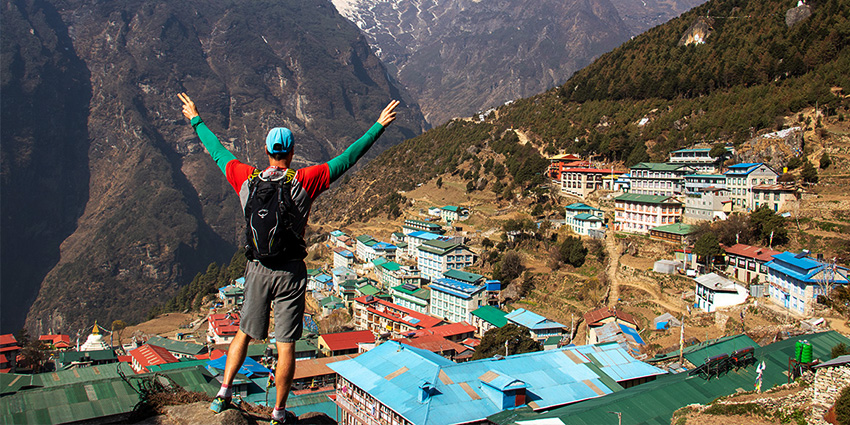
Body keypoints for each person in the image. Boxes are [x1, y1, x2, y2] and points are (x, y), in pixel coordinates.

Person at [178, 93, 398, 424]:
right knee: (286, 344)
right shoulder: (306, 180)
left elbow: (216, 151)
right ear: (292, 153)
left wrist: (196, 118)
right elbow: (348, 157)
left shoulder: (245, 178)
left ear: (266, 152)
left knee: (243, 333)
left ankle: (223, 393)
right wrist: (378, 126)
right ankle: (279, 412)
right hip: (291, 272)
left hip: (256, 268)